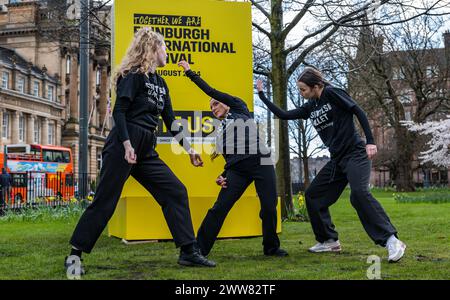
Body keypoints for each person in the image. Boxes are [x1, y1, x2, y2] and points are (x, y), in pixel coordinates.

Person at [64, 28, 216, 278]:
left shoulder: (161, 83)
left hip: (146, 149)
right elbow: (119, 112)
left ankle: (188, 252)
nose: (167, 52)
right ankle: (74, 256)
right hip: (124, 145)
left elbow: (170, 120)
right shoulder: (133, 76)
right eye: (164, 48)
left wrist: (189, 149)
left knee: (175, 191)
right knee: (105, 201)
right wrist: (126, 144)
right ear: (152, 49)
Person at [256, 67, 406, 263]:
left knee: (359, 194)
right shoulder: (310, 106)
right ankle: (328, 240)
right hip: (337, 160)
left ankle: (391, 240)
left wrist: (370, 140)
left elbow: (357, 110)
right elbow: (283, 115)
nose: (302, 94)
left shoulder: (332, 93)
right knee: (313, 196)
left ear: (316, 86)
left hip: (355, 154)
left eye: (303, 90)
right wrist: (262, 95)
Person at [178, 60, 288, 258]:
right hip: (238, 170)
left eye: (216, 103)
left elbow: (211, 90)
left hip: (261, 161)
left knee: (269, 207)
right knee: (219, 208)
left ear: (226, 102)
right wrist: (223, 175)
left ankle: (271, 248)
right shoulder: (219, 132)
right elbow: (230, 158)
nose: (213, 107)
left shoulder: (238, 107)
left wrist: (189, 73)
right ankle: (198, 250)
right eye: (210, 107)